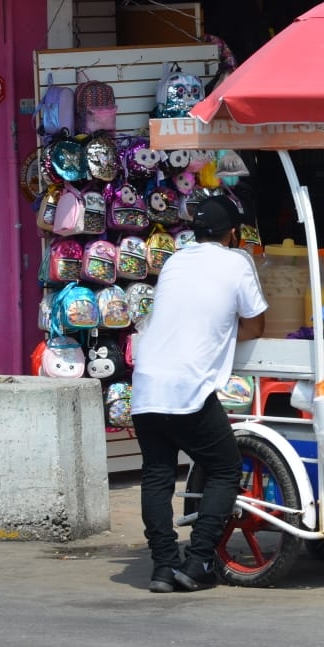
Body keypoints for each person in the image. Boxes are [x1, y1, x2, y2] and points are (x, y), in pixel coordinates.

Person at [131, 195, 267, 592]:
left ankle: (162, 567)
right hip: (188, 386)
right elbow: (256, 326)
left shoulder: (175, 260)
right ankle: (199, 560)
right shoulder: (236, 262)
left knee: (157, 475)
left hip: (148, 383)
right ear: (234, 233)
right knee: (225, 468)